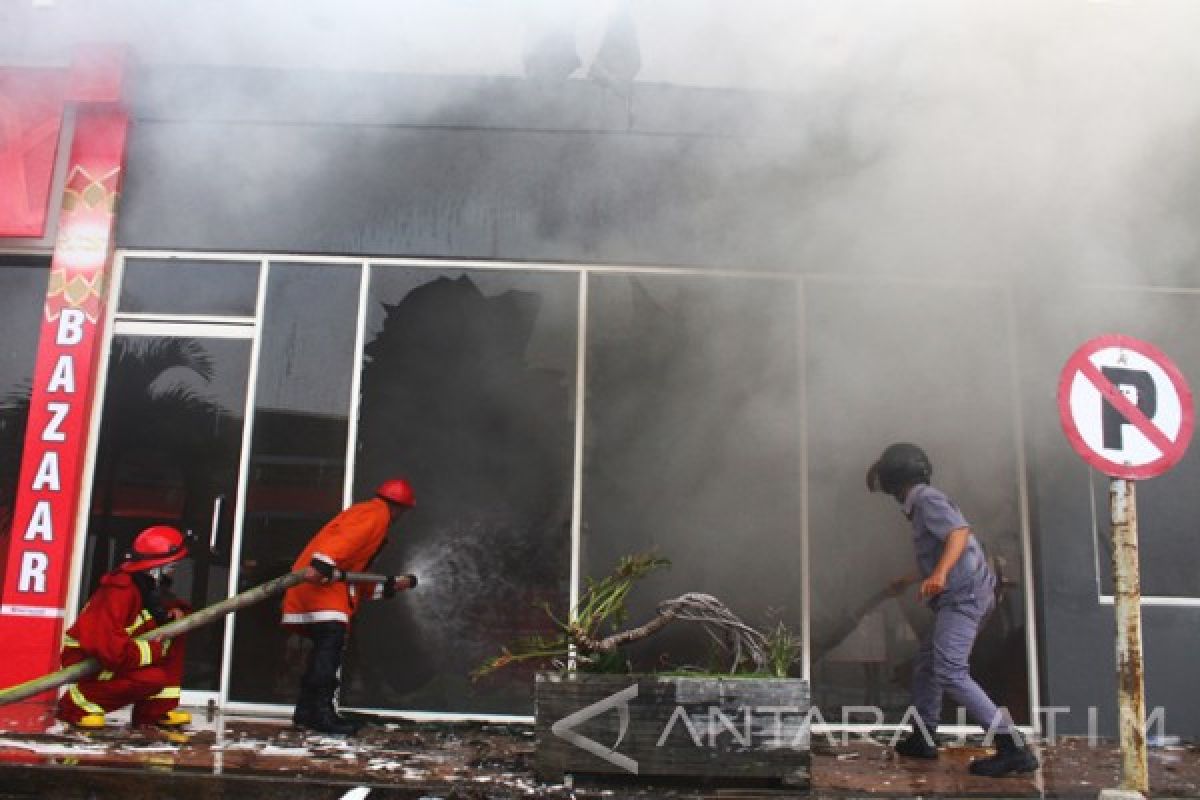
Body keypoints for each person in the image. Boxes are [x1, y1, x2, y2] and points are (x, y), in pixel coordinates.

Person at [867, 443, 1038, 778]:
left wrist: (940, 575)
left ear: (895, 479)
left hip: (962, 598)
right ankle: (923, 736)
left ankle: (1013, 747)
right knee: (927, 666)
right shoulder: (922, 502)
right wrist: (910, 578)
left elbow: (958, 535)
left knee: (949, 671)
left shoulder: (926, 499)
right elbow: (944, 547)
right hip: (962, 595)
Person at [282, 477, 419, 735]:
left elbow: (354, 573)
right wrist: (323, 563)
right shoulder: (374, 516)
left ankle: (306, 711)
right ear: (400, 508)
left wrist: (388, 587)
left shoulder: (371, 517)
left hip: (323, 593)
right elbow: (342, 541)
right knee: (327, 656)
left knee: (321, 656)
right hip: (323, 595)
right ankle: (321, 714)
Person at [56, 525, 192, 729]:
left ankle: (156, 711)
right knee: (152, 679)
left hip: (114, 654)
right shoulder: (119, 591)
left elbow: (149, 613)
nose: (174, 570)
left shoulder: (146, 587)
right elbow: (108, 648)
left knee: (176, 631)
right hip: (88, 660)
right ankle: (77, 705)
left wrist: (170, 615)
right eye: (172, 565)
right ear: (155, 567)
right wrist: (153, 652)